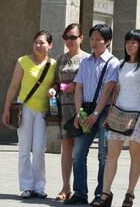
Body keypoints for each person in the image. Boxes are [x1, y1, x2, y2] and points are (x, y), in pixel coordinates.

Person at [98, 29, 140, 207]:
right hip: (119, 112)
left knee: (135, 155)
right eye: (127, 42)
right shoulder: (121, 64)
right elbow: (116, 90)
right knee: (111, 155)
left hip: (138, 115)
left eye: (134, 42)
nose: (129, 45)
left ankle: (130, 194)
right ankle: (105, 194)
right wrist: (110, 113)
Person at [64, 24, 120, 205]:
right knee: (78, 153)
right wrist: (80, 113)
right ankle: (80, 192)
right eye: (92, 39)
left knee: (104, 155)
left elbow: (108, 90)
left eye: (99, 39)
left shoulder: (112, 62)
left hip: (103, 111)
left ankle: (101, 194)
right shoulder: (86, 61)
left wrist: (96, 114)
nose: (94, 43)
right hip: (86, 109)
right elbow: (78, 87)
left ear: (108, 41)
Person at [1, 30, 56, 199]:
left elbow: (56, 84)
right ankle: (26, 186)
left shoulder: (53, 64)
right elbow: (13, 86)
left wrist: (53, 89)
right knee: (24, 149)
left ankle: (39, 186)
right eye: (35, 42)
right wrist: (6, 109)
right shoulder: (23, 61)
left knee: (39, 149)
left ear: (50, 45)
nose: (38, 46)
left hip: (43, 111)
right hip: (25, 108)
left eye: (42, 43)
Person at [53, 24, 90, 202]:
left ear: (81, 38)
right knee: (66, 148)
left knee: (79, 150)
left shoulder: (88, 59)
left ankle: (79, 189)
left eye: (73, 37)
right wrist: (53, 90)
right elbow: (55, 81)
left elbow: (89, 84)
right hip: (63, 106)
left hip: (80, 108)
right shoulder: (60, 59)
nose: (69, 41)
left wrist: (74, 86)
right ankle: (65, 187)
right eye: (66, 37)